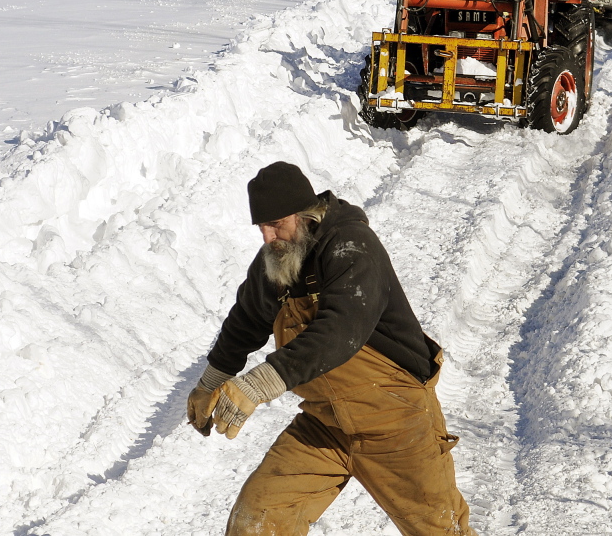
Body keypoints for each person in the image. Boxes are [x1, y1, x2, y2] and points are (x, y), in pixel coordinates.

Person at [187, 161, 478, 536]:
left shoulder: (352, 246)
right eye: (262, 227)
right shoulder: (277, 260)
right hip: (325, 425)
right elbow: (246, 319)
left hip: (394, 421)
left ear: (305, 215)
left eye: (277, 224)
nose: (268, 237)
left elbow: (341, 329)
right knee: (257, 521)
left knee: (441, 531)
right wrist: (212, 380)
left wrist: (256, 385)